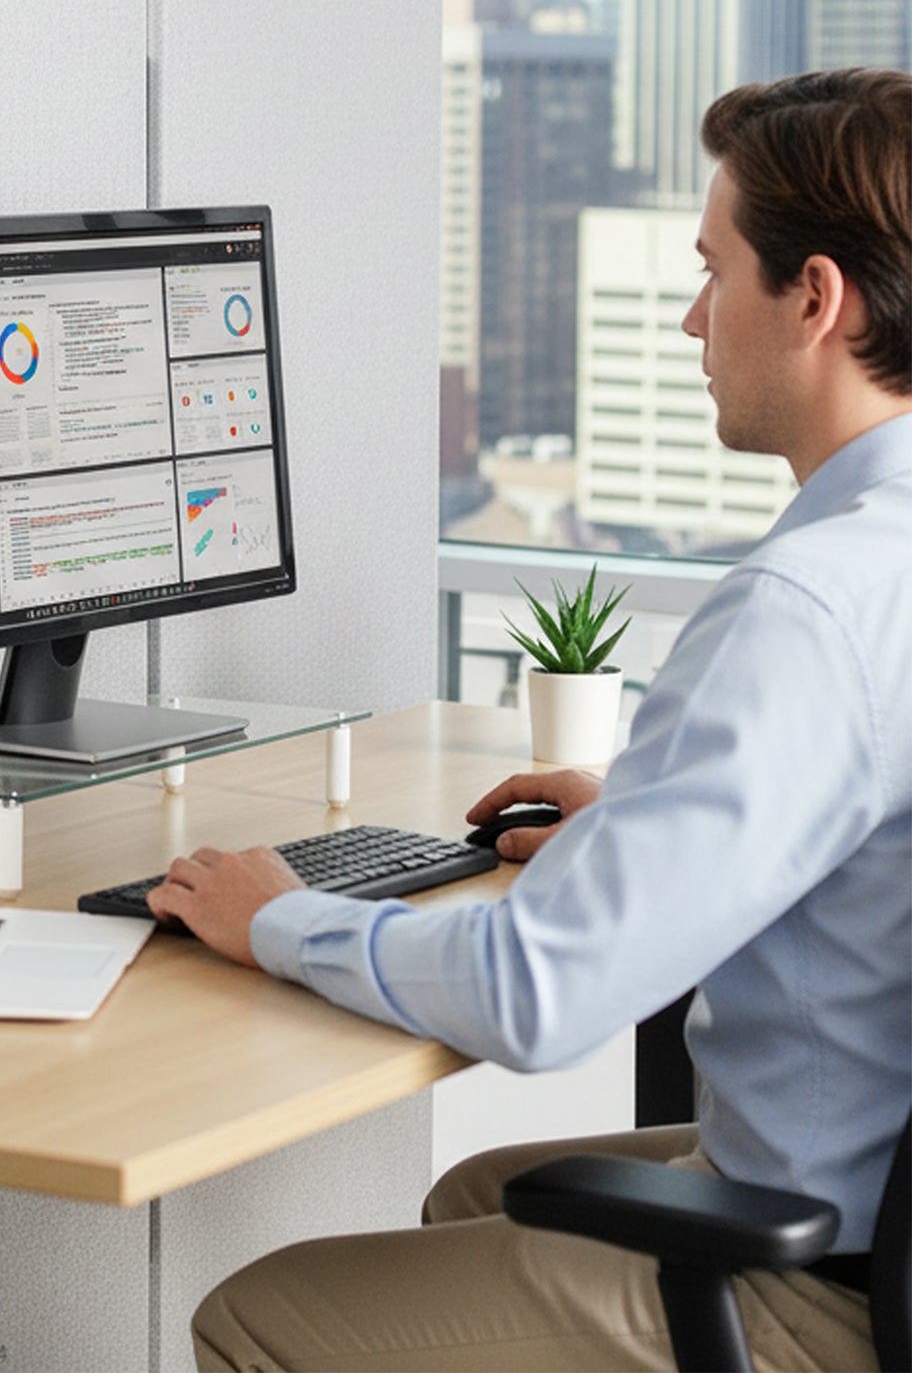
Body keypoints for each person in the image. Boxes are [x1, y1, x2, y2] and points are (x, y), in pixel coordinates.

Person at [152, 69, 912, 1373]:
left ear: (815, 298)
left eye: (713, 271)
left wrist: (274, 912)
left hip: (829, 1285)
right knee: (479, 1199)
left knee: (257, 1318)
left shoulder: (806, 607)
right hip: (872, 1194)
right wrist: (648, 828)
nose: (689, 318)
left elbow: (536, 996)